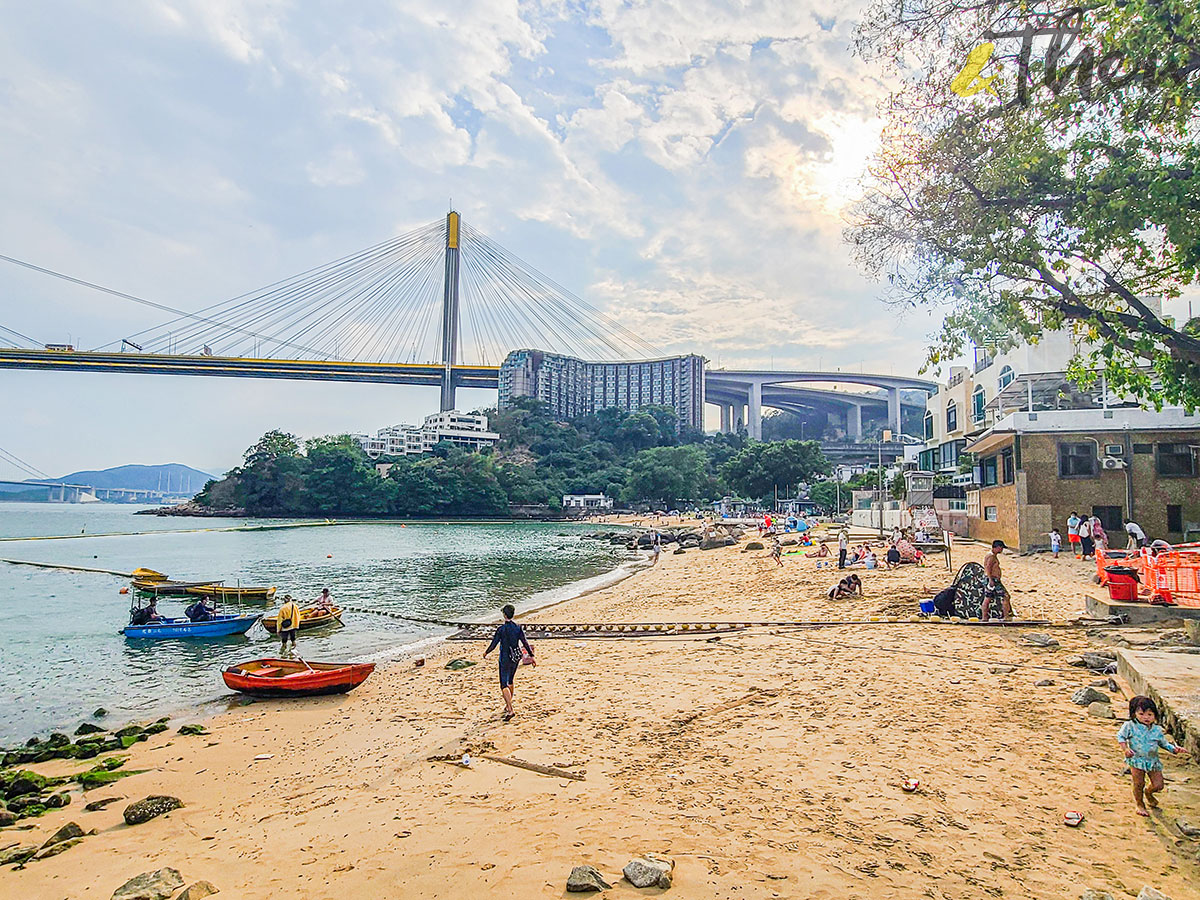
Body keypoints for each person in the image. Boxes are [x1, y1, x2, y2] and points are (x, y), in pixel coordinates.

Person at [1117, 695, 1188, 816]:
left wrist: (1174, 749)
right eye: (1141, 714)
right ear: (1134, 714)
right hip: (1136, 760)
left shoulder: (1156, 730)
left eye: (1150, 715)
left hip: (1153, 761)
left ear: (1155, 716)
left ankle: (1149, 792)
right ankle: (1140, 804)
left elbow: (1164, 743)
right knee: (1138, 783)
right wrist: (1125, 749)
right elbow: (1121, 737)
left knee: (1158, 785)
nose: (1146, 717)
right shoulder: (1130, 726)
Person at [483, 604, 535, 721]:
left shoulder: (501, 630)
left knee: (503, 684)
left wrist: (486, 653)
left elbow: (494, 644)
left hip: (505, 658)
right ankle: (508, 705)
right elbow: (525, 642)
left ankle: (510, 709)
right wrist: (532, 656)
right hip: (516, 657)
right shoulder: (518, 627)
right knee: (510, 680)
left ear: (504, 615)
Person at [982, 540, 1012, 621]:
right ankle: (1006, 617)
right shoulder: (991, 556)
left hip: (991, 579)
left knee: (988, 598)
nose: (1002, 550)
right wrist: (991, 579)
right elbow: (988, 568)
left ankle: (984, 617)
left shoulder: (990, 555)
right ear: (998, 547)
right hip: (993, 580)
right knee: (1006, 596)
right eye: (1001, 548)